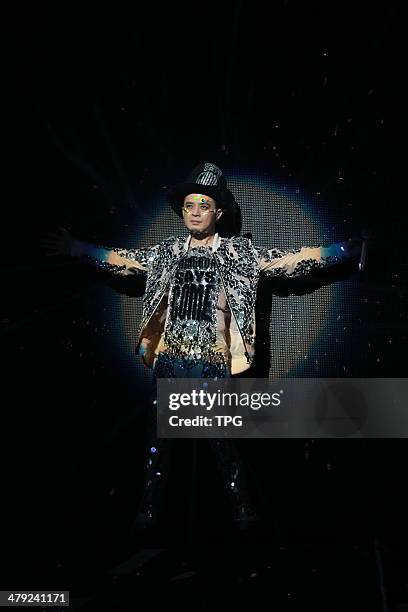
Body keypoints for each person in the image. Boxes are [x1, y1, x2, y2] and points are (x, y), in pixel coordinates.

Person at [42, 161, 363, 530]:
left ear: (218, 212)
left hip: (212, 359)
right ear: (183, 212)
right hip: (171, 357)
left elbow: (293, 260)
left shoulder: (240, 253)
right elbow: (123, 260)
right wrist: (75, 247)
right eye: (189, 206)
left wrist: (343, 249)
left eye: (204, 206)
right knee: (159, 441)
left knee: (221, 440)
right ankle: (147, 513)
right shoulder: (167, 252)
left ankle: (243, 511)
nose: (195, 213)